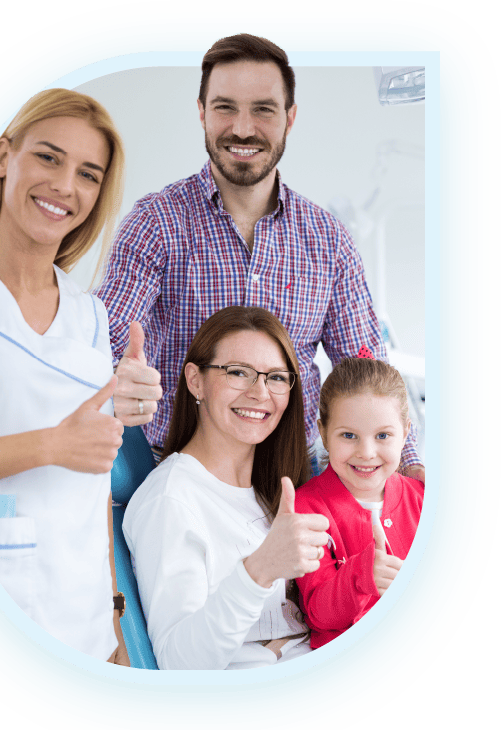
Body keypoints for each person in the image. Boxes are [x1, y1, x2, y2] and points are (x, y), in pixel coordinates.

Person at [97, 33, 424, 481]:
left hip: (294, 476)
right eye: (225, 107)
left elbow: (367, 375)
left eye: (263, 110)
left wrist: (408, 466)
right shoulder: (156, 223)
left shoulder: (329, 240)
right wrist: (114, 377)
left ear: (290, 118)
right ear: (201, 112)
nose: (243, 128)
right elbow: (102, 344)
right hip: (177, 473)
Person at [0, 88, 131, 664]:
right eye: (49, 157)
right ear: (4, 157)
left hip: (83, 616)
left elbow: (97, 482)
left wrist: (114, 618)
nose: (66, 185)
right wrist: (51, 445)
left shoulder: (91, 313)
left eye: (89, 173)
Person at [123, 307, 330, 670]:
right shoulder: (171, 499)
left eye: (277, 378)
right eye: (238, 373)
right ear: (195, 380)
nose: (260, 393)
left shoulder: (277, 492)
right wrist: (259, 570)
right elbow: (179, 663)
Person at [294, 352, 424, 648]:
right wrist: (363, 575)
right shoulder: (306, 508)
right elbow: (318, 613)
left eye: (383, 436)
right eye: (349, 435)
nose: (366, 452)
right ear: (323, 434)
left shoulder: (423, 498)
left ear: (405, 434)